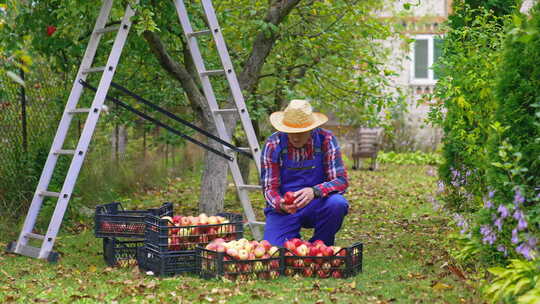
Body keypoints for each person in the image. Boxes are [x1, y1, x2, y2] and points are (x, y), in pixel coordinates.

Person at [261, 99, 349, 246]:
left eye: (300, 132)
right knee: (275, 252)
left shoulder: (326, 140)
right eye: (290, 132)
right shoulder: (273, 144)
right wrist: (280, 204)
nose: (295, 137)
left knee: (337, 204)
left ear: (311, 128)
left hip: (316, 203)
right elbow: (269, 188)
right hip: (285, 209)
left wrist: (315, 191)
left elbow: (341, 181)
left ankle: (320, 246)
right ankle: (291, 243)